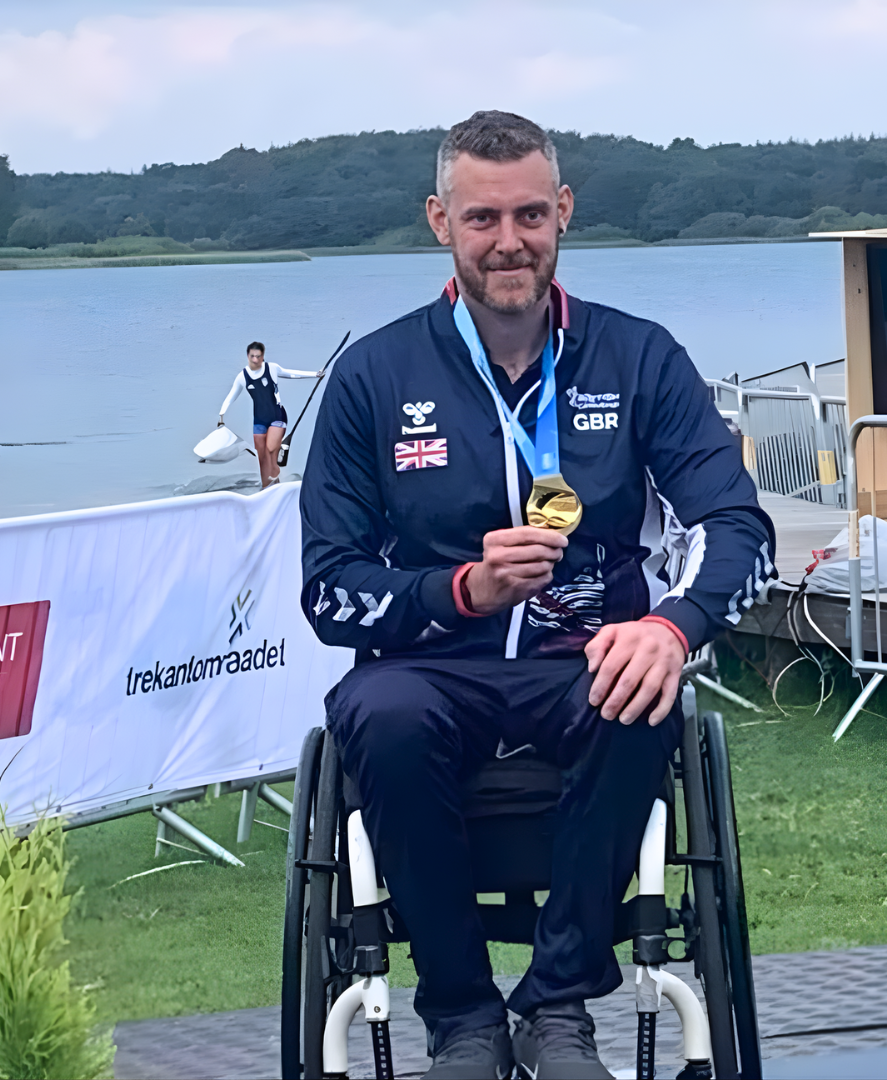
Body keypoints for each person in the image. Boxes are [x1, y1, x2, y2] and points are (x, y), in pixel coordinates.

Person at [300, 111, 775, 1080]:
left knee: (641, 685)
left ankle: (558, 1005)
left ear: (563, 212)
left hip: (580, 663)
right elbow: (326, 589)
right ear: (441, 220)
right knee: (376, 713)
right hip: (431, 671)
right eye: (482, 219)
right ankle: (466, 1019)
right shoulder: (372, 378)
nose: (508, 241)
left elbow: (741, 530)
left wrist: (673, 627)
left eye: (528, 214)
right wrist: (460, 588)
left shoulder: (637, 360)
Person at [218, 342, 322, 488]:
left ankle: (275, 476)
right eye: (252, 356)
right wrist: (221, 415)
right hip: (259, 421)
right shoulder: (242, 377)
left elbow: (290, 374)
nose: (255, 360)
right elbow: (231, 396)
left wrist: (315, 374)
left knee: (271, 450)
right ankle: (268, 488)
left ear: (262, 356)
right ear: (248, 356)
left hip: (277, 416)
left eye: (258, 356)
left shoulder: (272, 368)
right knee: (261, 457)